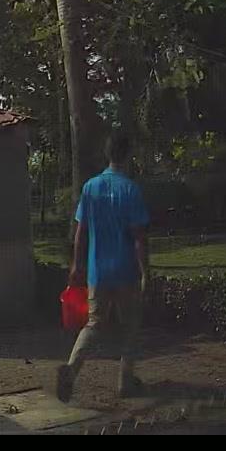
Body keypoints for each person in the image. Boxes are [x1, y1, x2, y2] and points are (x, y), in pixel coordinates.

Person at [55, 131, 151, 403]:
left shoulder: (90, 188)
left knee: (94, 324)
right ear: (128, 155)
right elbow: (139, 237)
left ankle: (71, 370)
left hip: (98, 272)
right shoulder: (130, 190)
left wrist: (77, 265)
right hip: (125, 271)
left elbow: (81, 232)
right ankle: (125, 381)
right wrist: (145, 272)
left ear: (107, 154)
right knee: (131, 326)